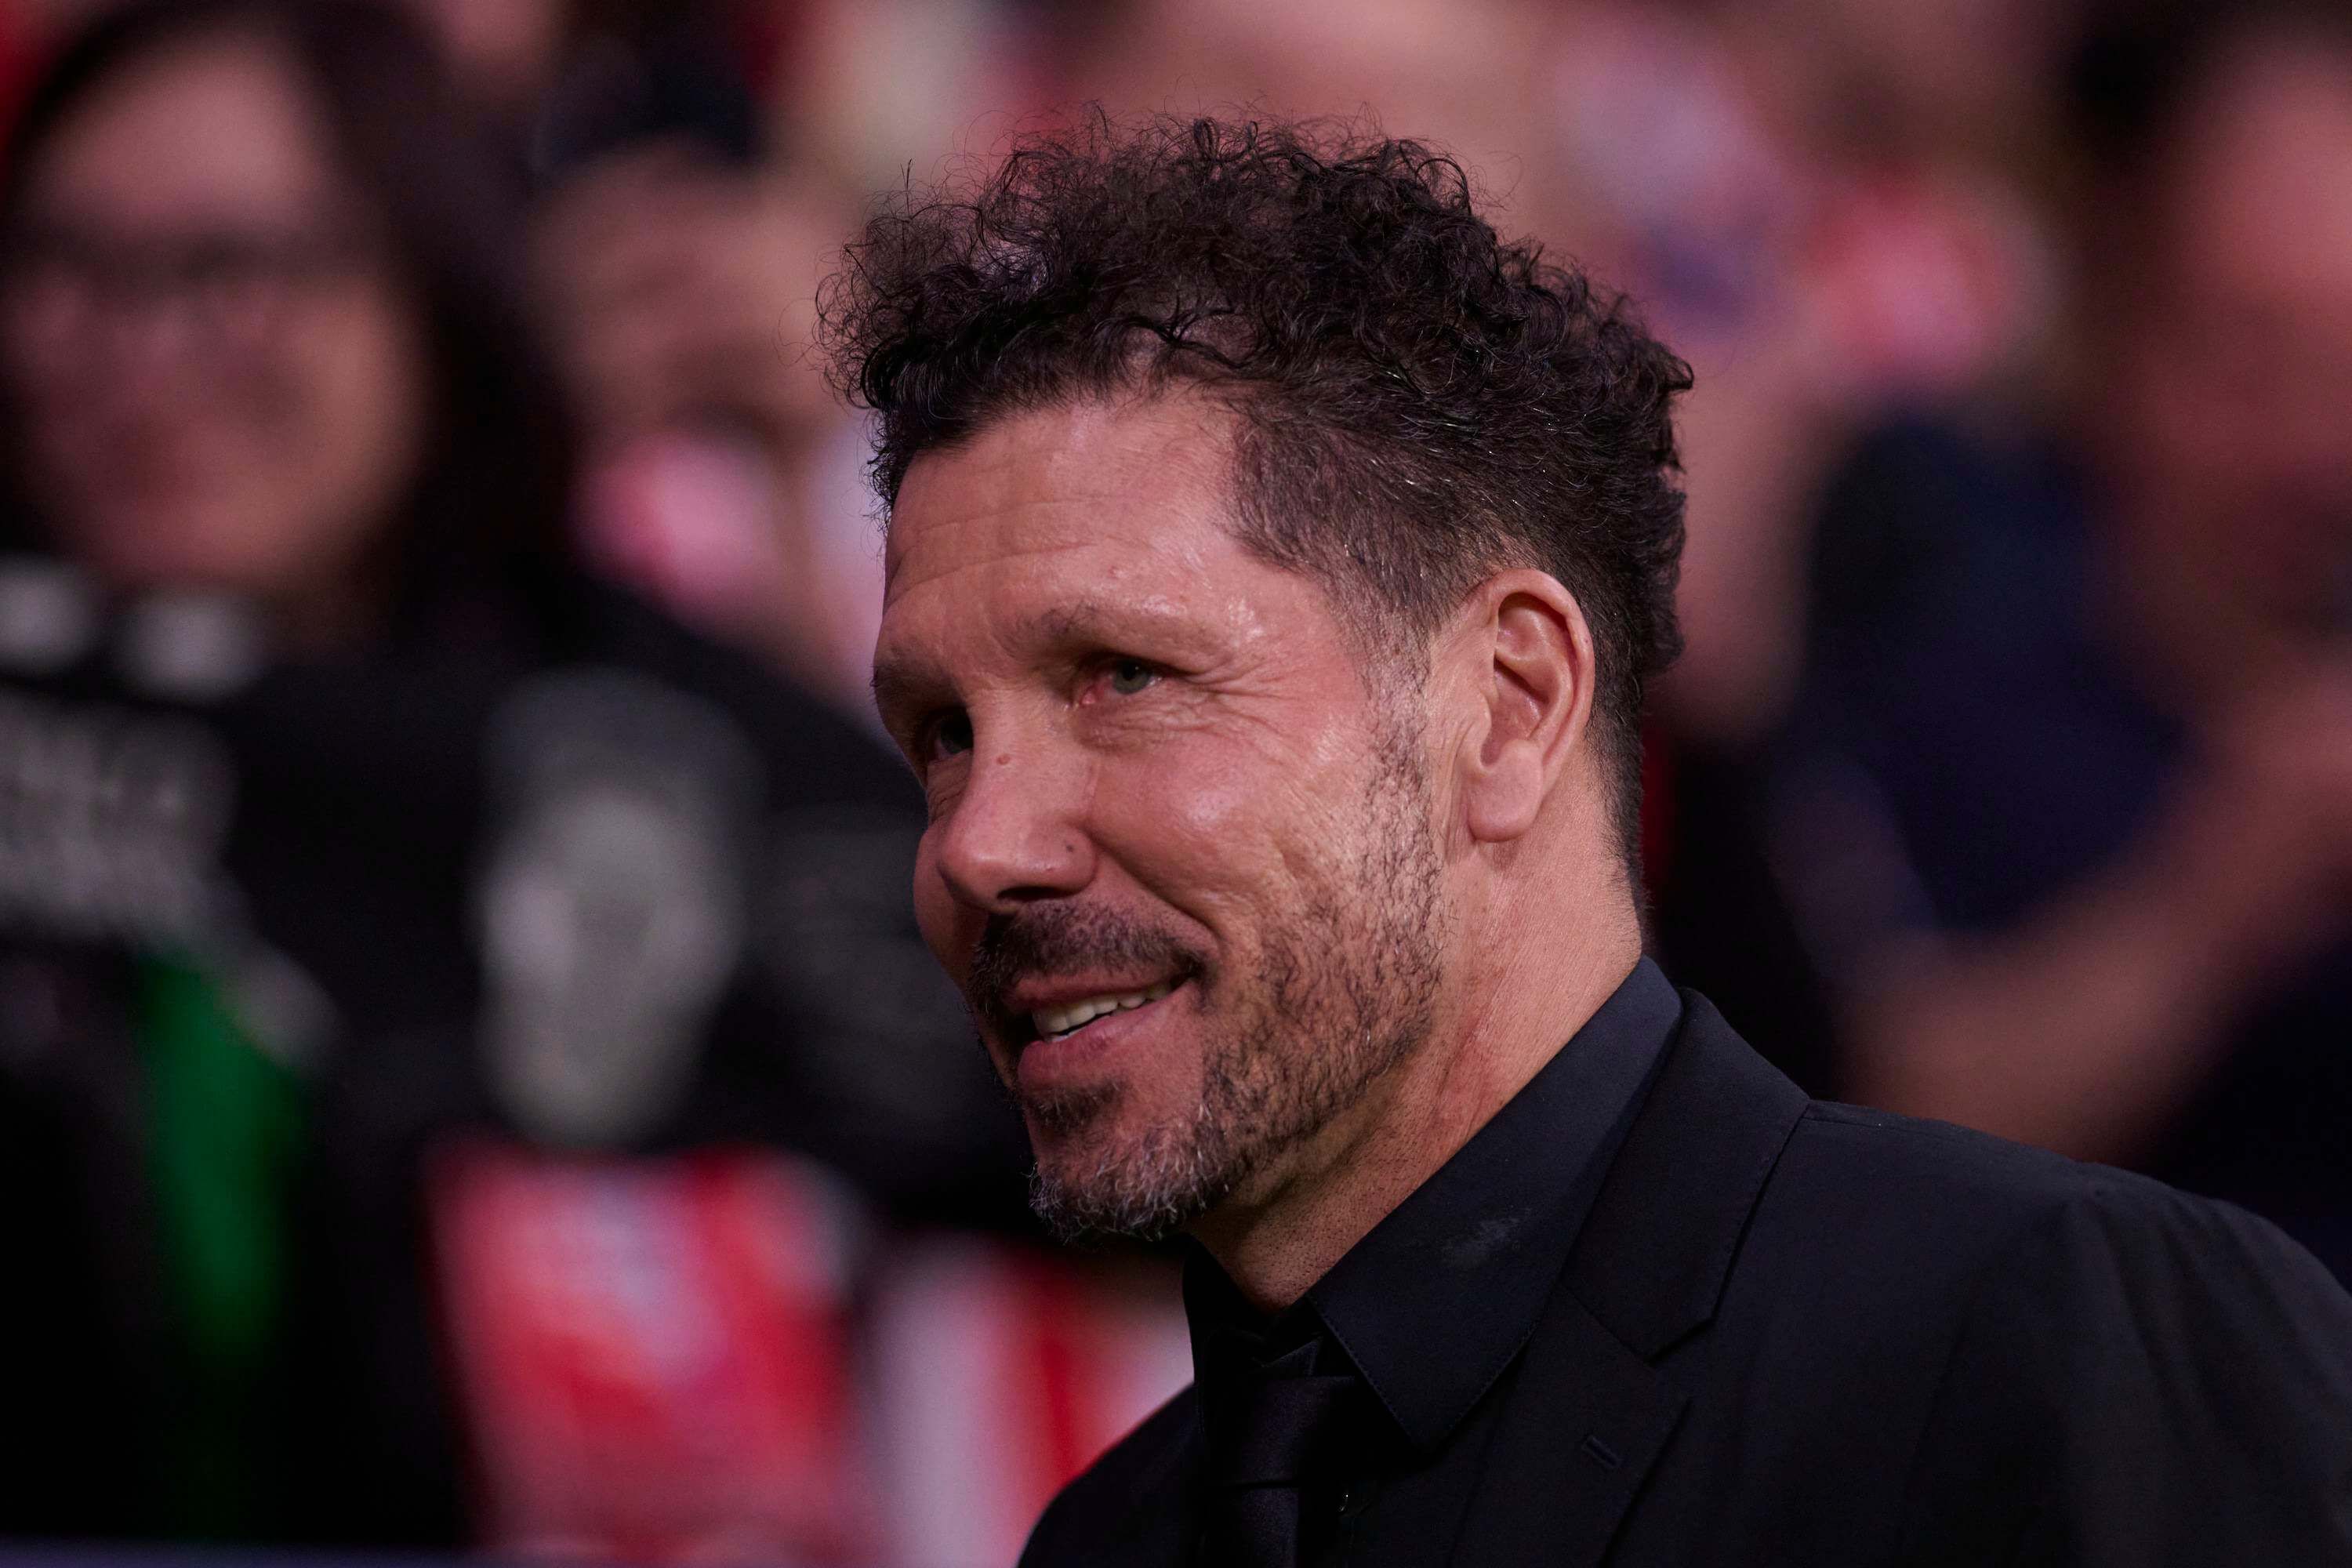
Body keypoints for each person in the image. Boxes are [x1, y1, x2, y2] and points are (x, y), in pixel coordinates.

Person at [826, 114, 2352, 1566]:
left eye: (1123, 676)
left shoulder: (2047, 1341)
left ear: (1507, 704)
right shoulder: (1114, 1540)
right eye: (943, 734)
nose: (979, 846)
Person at [0, 0, 1014, 1546]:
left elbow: (1024, 1080)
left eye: (235, 271)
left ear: (432, 288)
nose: (144, 352)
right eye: (72, 267)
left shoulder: (620, 740)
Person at [1663, 0, 2352, 1287]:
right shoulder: (1937, 616)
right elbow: (1866, 1132)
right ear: (2120, 331)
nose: (2319, 454)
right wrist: (2221, 901)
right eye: (2253, 360)